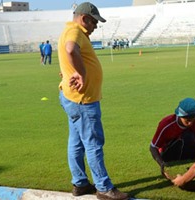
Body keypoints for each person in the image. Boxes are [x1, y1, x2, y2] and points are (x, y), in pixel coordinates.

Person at [58, 2, 129, 200]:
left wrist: (69, 72)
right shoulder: (76, 32)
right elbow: (71, 49)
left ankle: (80, 184)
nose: (95, 26)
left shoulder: (68, 30)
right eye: (94, 22)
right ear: (84, 18)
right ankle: (104, 188)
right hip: (83, 100)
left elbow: (67, 54)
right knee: (93, 143)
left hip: (72, 97)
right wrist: (80, 73)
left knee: (77, 142)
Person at [150, 98, 195, 179]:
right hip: (168, 153)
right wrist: (162, 165)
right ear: (179, 116)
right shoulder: (166, 124)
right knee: (186, 136)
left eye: (192, 119)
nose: (190, 123)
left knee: (189, 136)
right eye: (187, 120)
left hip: (188, 149)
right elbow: (153, 147)